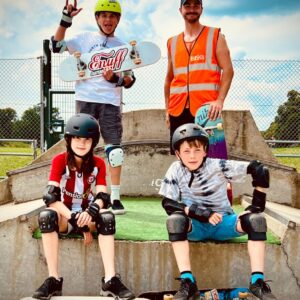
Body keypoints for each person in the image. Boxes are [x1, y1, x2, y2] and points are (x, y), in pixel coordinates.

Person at [159, 123, 276, 300]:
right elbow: (168, 203)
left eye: (197, 150)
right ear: (177, 154)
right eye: (186, 151)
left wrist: (255, 207)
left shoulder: (218, 165)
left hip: (224, 223)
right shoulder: (176, 169)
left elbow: (259, 170)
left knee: (257, 220)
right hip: (196, 226)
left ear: (205, 150)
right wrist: (201, 213)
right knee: (175, 221)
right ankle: (188, 281)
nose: (192, 156)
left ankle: (257, 281)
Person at [32, 113, 135, 300]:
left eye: (87, 139)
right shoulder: (59, 161)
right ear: (68, 139)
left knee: (107, 217)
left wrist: (91, 211)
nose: (81, 143)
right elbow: (51, 196)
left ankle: (110, 280)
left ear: (93, 141)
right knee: (46, 215)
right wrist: (73, 218)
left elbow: (103, 195)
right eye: (77, 138)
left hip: (88, 216)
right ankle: (53, 279)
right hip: (66, 215)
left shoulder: (99, 164)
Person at [50, 0, 137, 214]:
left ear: (118, 19)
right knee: (77, 148)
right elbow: (56, 46)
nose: (108, 20)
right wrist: (65, 19)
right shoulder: (83, 39)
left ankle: (114, 197)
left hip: (110, 102)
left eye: (112, 16)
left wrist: (115, 79)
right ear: (97, 18)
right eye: (104, 16)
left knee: (114, 151)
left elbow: (130, 79)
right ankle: (72, 193)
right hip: (86, 99)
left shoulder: (123, 46)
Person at [164, 0, 234, 153]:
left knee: (210, 157)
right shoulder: (172, 42)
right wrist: (167, 109)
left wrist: (219, 101)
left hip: (206, 111)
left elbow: (228, 70)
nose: (191, 9)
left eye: (196, 5)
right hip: (177, 110)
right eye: (187, 5)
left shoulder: (215, 36)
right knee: (182, 158)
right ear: (180, 9)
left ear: (201, 8)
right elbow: (169, 79)